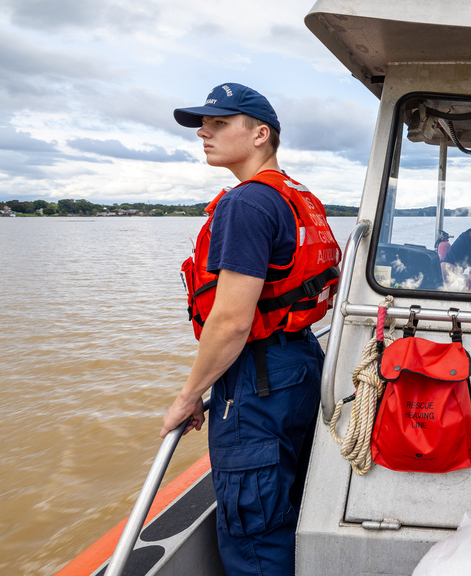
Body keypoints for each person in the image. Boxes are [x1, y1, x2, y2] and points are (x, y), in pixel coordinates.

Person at [161, 83, 341, 575]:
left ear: (260, 134)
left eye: (219, 123)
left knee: (256, 528)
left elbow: (232, 319)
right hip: (301, 364)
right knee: (291, 502)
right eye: (204, 124)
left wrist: (189, 395)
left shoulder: (246, 204)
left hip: (259, 380)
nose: (204, 132)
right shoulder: (297, 197)